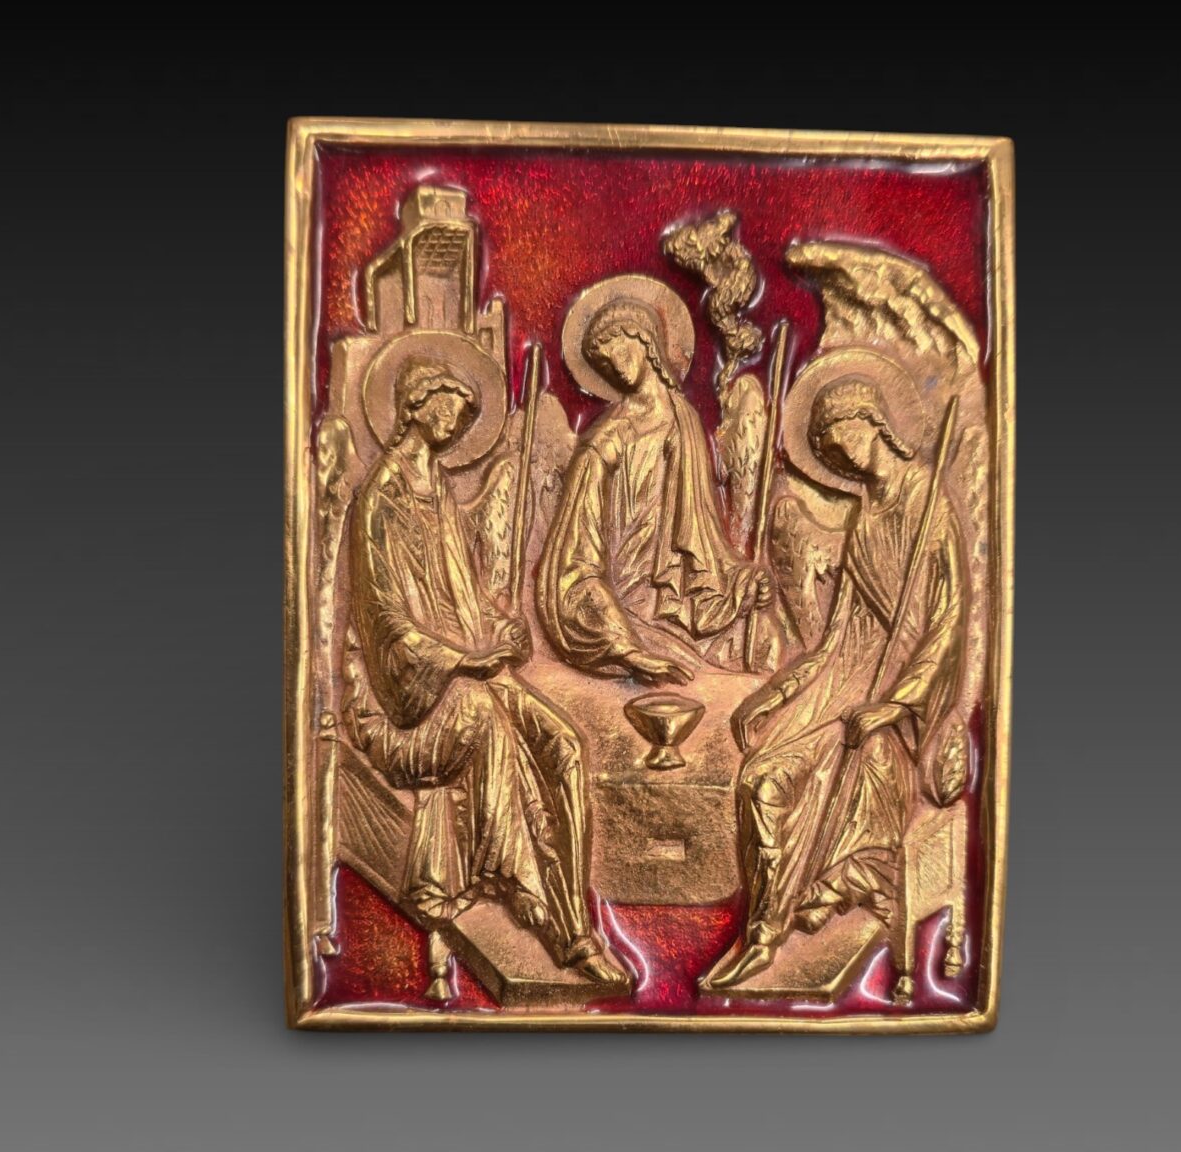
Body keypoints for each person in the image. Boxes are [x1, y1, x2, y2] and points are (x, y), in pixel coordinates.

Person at [342, 353, 630, 994]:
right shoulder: (382, 498)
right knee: (487, 719)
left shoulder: (439, 489)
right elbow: (384, 622)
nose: (456, 416)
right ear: (413, 405)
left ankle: (577, 920)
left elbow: (466, 601)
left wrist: (501, 631)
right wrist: (457, 660)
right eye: (445, 400)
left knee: (564, 744)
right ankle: (537, 906)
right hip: (409, 700)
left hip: (466, 672)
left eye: (465, 408)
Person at [700, 373, 966, 993]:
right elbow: (834, 638)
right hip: (845, 683)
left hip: (898, 700)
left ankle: (810, 904)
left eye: (841, 433)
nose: (838, 451)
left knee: (866, 764)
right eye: (824, 445)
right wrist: (772, 695)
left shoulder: (929, 501)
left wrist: (895, 705)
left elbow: (949, 621)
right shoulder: (864, 521)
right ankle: (763, 933)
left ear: (874, 422)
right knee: (762, 780)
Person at [538, 293, 774, 685]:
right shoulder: (605, 441)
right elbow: (575, 557)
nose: (615, 366)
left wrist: (741, 582)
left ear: (645, 339)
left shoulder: (684, 422)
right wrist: (625, 645)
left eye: (619, 348)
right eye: (604, 363)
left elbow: (703, 540)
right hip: (621, 607)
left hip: (675, 606)